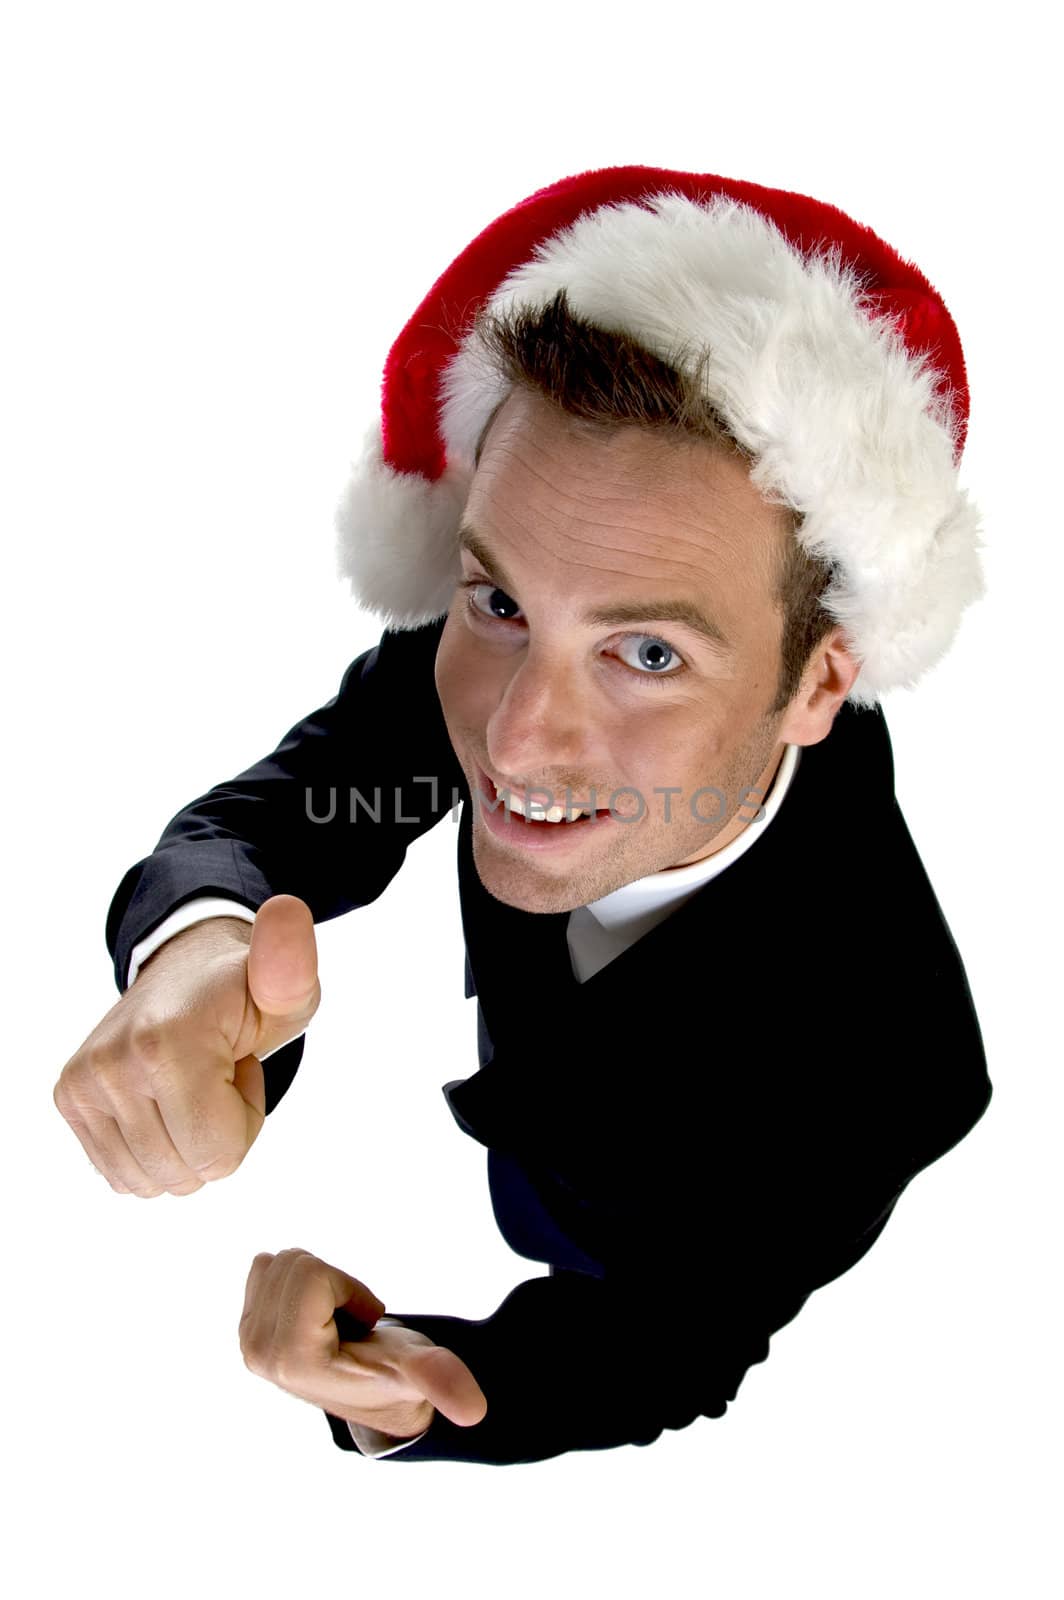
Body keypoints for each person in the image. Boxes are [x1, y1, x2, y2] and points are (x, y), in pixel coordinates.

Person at [54, 164, 993, 1466]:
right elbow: (307, 801)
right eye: (496, 603)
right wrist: (199, 944)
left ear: (819, 682)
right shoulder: (520, 637)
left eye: (646, 655)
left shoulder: (876, 1078)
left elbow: (664, 1348)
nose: (512, 738)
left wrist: (402, 1386)